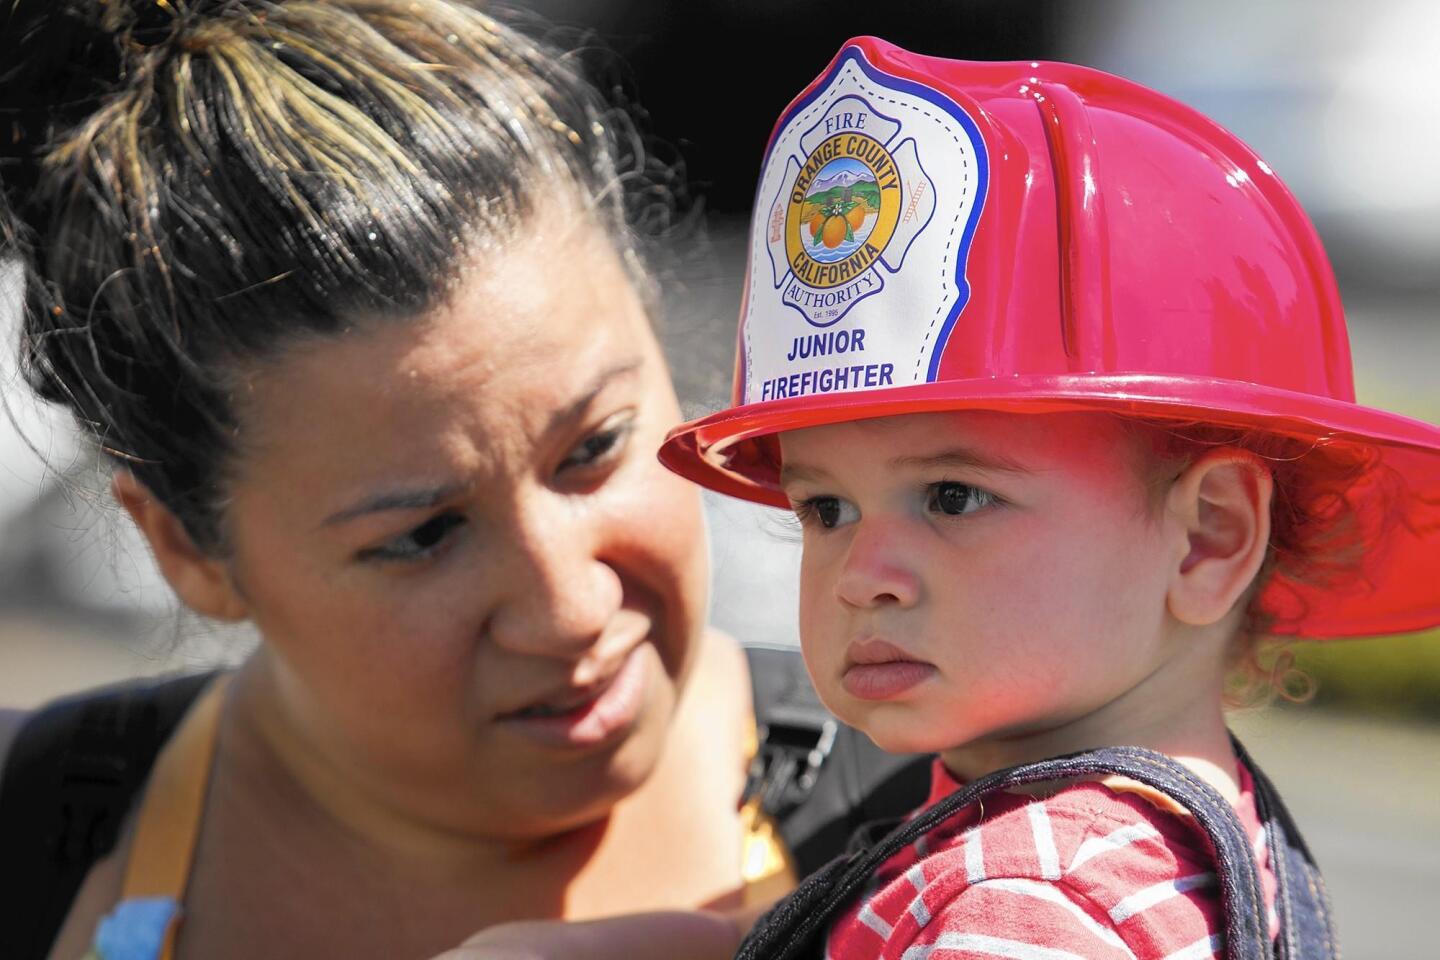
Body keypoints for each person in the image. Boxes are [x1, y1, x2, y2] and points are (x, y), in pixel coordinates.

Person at [0, 7, 928, 959]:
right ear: (189, 550)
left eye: (594, 448)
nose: (568, 609)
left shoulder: (974, 834)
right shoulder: (35, 843)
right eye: (423, 534)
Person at [658, 37, 1440, 959]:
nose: (862, 577)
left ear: (1208, 538)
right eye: (826, 509)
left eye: (953, 496)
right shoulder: (1150, 842)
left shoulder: (1029, 903)